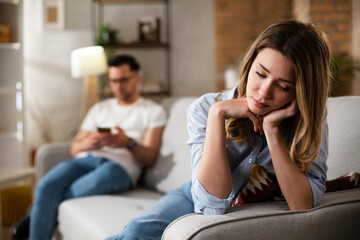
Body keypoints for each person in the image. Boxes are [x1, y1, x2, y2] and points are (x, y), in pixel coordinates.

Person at [105, 20, 331, 240]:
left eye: (282, 86)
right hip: (194, 193)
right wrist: (217, 114)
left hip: (247, 210)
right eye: (260, 74)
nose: (263, 93)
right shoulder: (205, 108)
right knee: (135, 232)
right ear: (249, 64)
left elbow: (302, 205)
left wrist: (272, 132)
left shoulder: (308, 122)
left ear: (300, 92)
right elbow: (209, 204)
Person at [10, 55, 167, 240]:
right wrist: (90, 142)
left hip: (119, 167)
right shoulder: (99, 109)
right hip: (85, 160)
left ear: (137, 79)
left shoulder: (153, 111)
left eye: (123, 80)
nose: (118, 86)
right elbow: (74, 148)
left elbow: (149, 157)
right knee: (45, 186)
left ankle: (32, 217)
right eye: (113, 80)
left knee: (69, 192)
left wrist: (127, 142)